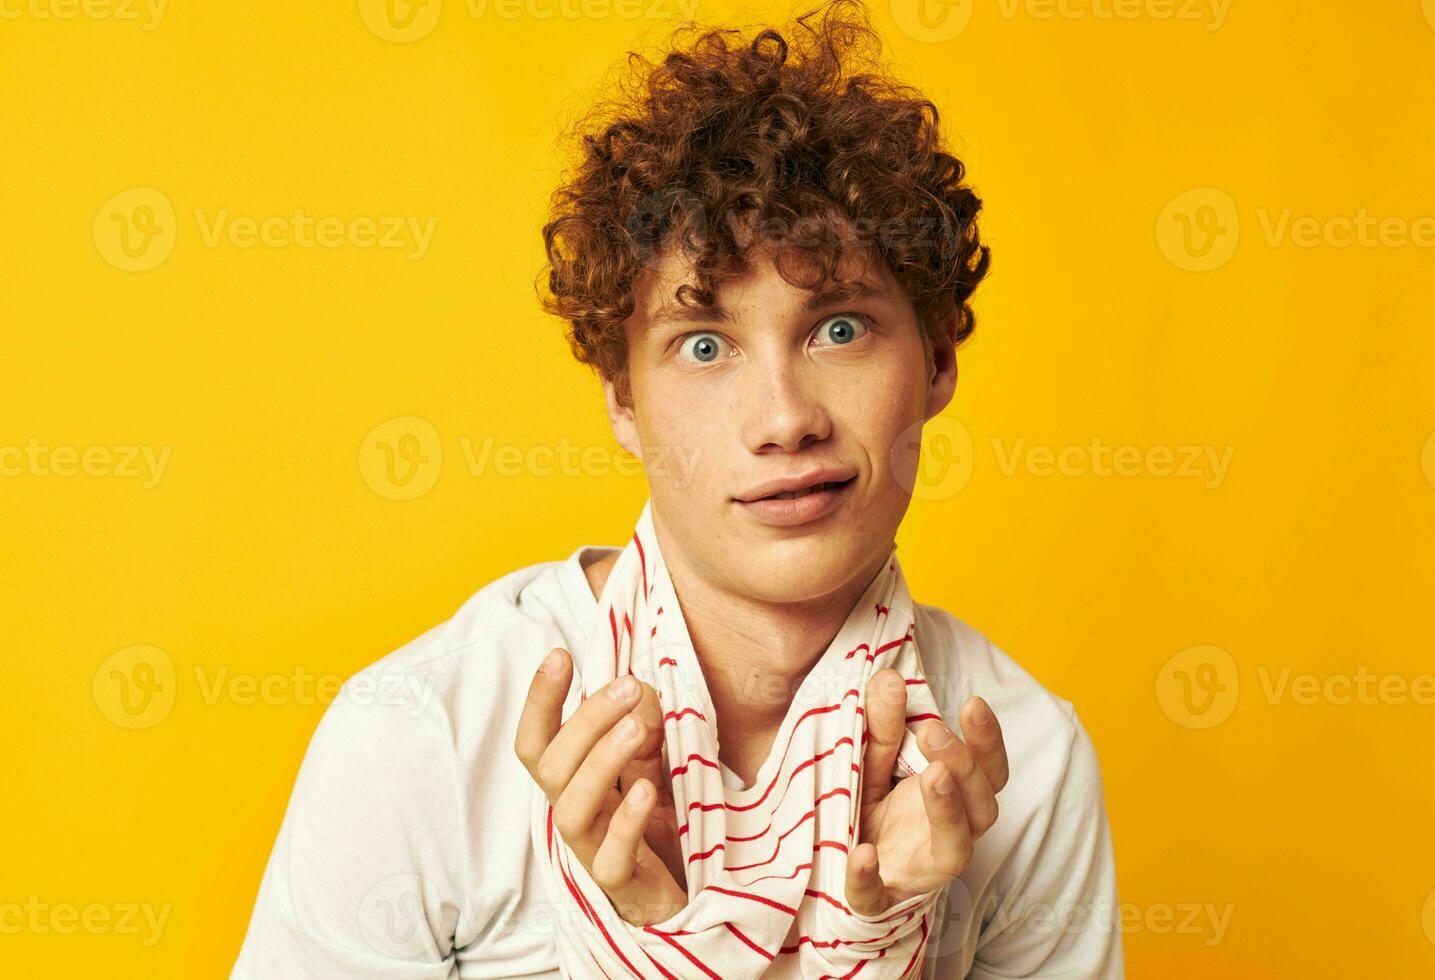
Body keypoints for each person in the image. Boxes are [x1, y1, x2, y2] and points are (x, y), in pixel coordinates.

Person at [232, 1, 1122, 976]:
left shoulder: (1024, 767)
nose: (785, 418)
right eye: (704, 344)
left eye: (840, 328)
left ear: (939, 356)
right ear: (622, 396)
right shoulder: (425, 736)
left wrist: (889, 940)